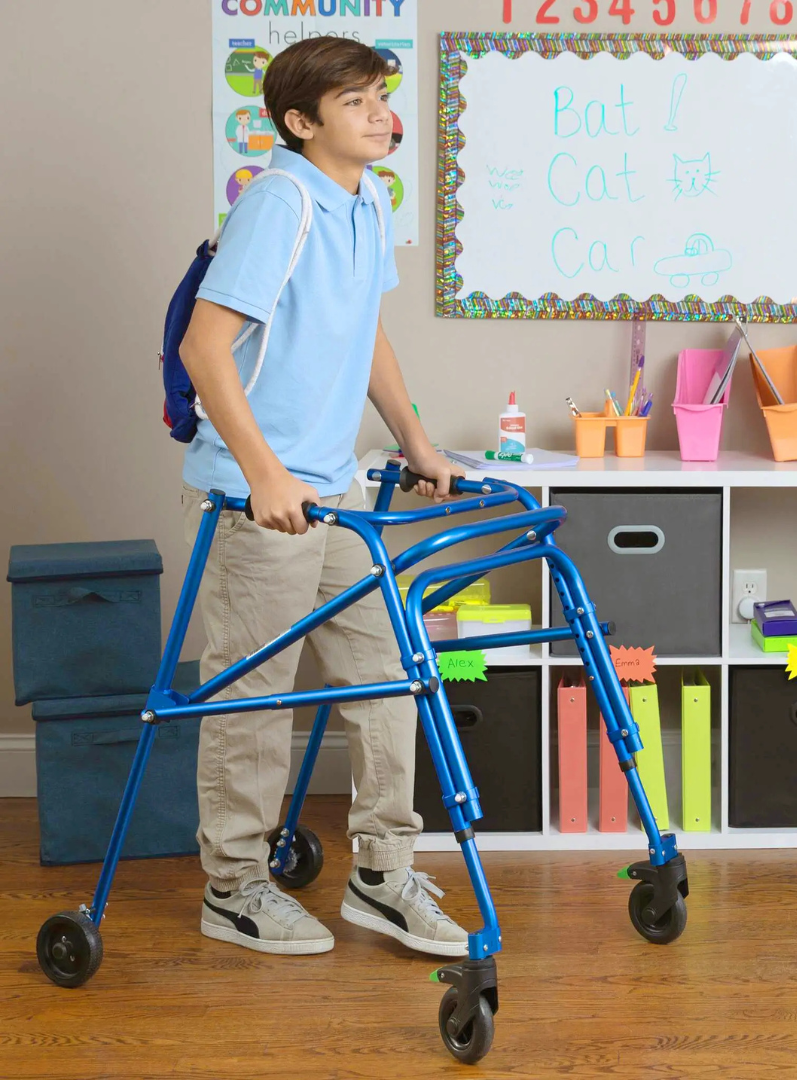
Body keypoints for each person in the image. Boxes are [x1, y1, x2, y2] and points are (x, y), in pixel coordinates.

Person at [178, 36, 466, 958]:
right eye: (357, 102)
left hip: (333, 491)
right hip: (259, 499)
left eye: (381, 96)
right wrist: (263, 474)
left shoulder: (367, 197)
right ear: (302, 124)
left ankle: (382, 874)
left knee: (390, 675)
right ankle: (233, 887)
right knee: (251, 697)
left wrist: (416, 441)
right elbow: (203, 347)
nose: (383, 114)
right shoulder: (279, 201)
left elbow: (365, 329)